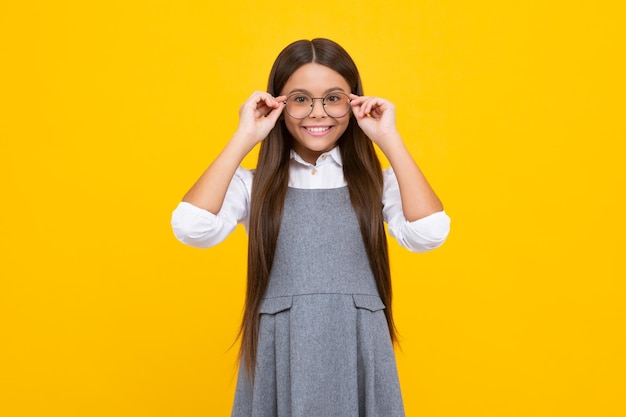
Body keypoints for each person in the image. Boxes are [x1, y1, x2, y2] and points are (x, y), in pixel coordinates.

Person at [171, 38, 450, 417]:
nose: (318, 113)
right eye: (300, 99)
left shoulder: (376, 182)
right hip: (280, 348)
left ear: (354, 104)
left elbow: (430, 233)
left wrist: (390, 139)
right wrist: (244, 137)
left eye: (333, 98)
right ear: (277, 106)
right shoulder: (255, 185)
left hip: (357, 348)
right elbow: (190, 227)